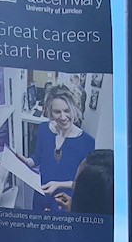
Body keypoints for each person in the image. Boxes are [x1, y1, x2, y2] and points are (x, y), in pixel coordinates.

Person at [15, 83, 96, 213]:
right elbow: (38, 157)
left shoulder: (88, 142)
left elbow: (82, 182)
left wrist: (58, 184)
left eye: (67, 111)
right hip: (41, 194)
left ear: (75, 108)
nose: (63, 117)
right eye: (57, 112)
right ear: (50, 111)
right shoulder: (43, 129)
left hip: (65, 200)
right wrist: (28, 161)